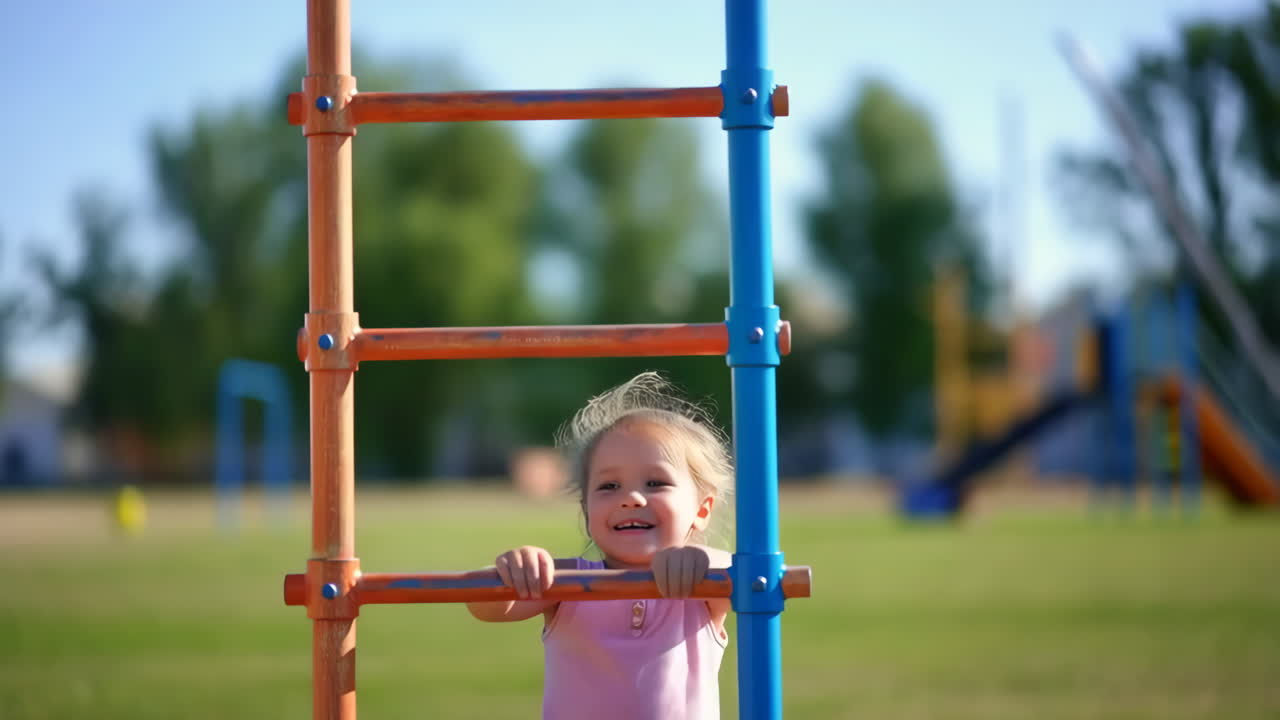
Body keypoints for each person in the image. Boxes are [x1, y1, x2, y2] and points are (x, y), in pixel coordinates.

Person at [468, 372, 735, 720]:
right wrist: (514, 570)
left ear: (701, 510)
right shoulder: (565, 582)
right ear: (585, 508)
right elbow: (483, 606)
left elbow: (742, 579)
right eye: (609, 486)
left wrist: (701, 560)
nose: (631, 498)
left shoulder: (702, 587)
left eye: (655, 482)